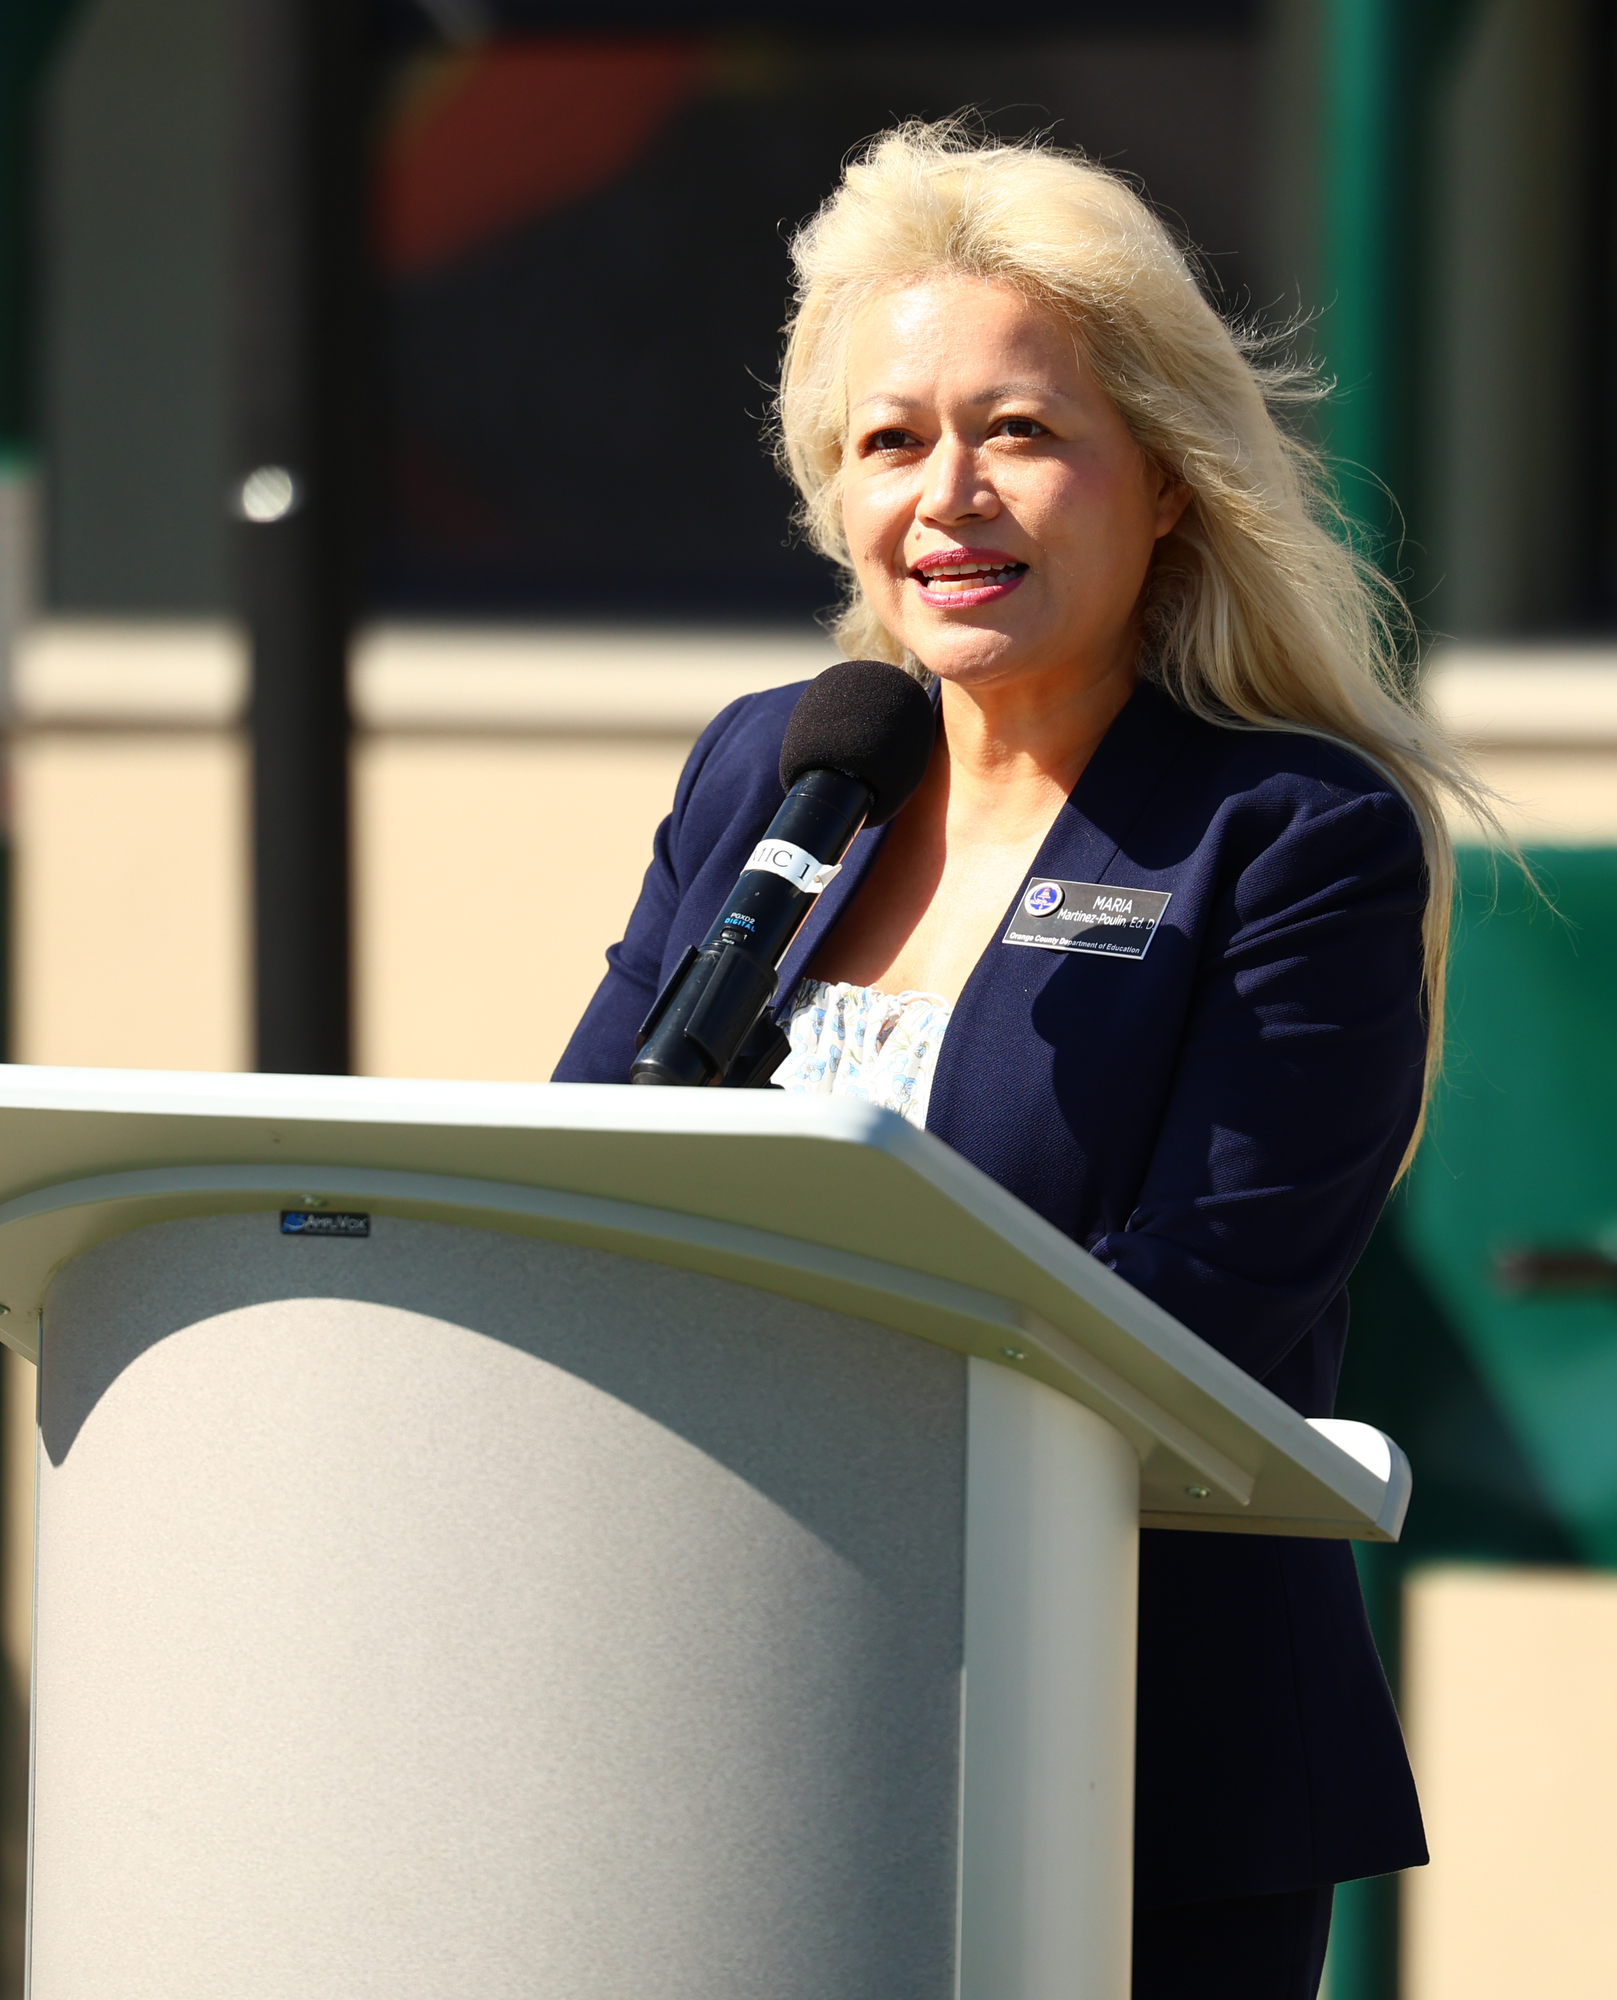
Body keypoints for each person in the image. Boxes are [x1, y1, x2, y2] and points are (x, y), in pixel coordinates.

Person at [556, 121, 1483, 1998]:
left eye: (1023, 433)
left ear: (1167, 484)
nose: (950, 498)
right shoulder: (771, 772)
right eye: (892, 442)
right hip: (740, 1718)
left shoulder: (1292, 838)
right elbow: (590, 1181)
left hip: (1131, 1765)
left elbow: (1190, 1325)